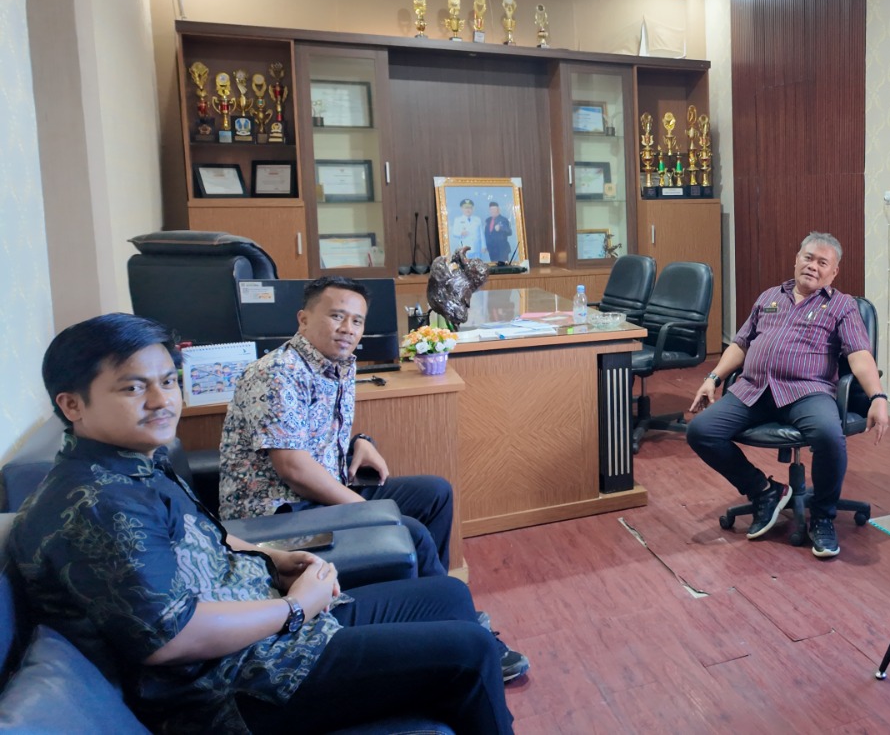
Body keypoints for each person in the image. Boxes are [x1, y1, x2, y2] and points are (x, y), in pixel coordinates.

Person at [9, 313, 516, 734]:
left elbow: (204, 535)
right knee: (468, 651)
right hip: (236, 685)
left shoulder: (134, 462)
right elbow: (172, 639)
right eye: (133, 388)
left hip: (263, 631)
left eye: (167, 381)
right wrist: (296, 609)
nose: (162, 401)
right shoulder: (99, 503)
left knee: (446, 597)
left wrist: (271, 557)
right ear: (72, 404)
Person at [218, 278, 454, 578]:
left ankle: (432, 589)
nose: (348, 329)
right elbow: (294, 469)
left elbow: (314, 433)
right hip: (279, 512)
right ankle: (433, 599)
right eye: (337, 316)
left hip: (322, 491)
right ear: (303, 320)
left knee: (436, 493)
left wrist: (360, 442)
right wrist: (368, 511)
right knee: (410, 531)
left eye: (357, 321)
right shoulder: (277, 372)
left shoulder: (335, 365)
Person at [686, 232, 888, 559]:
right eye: (808, 258)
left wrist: (878, 397)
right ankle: (764, 491)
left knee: (828, 435)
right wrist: (713, 378)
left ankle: (822, 517)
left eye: (822, 262)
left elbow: (859, 355)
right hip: (754, 388)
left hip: (807, 391)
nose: (813, 266)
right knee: (700, 431)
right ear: (797, 260)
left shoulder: (841, 305)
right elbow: (741, 344)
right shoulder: (769, 296)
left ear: (833, 272)